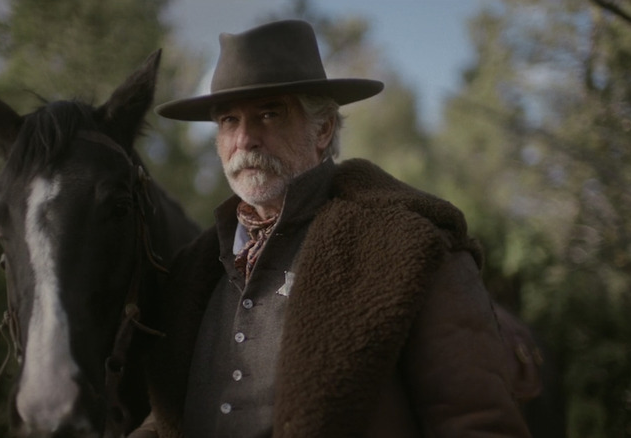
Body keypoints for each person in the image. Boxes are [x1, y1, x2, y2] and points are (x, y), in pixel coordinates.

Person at [131, 19, 533, 438]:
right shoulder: (193, 270)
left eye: (269, 113)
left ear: (322, 129)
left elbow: (475, 422)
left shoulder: (409, 246)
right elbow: (168, 419)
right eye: (229, 120)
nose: (245, 139)